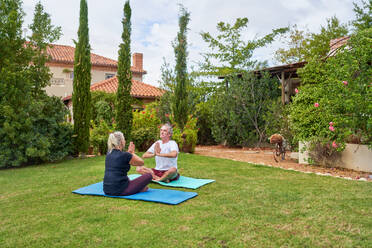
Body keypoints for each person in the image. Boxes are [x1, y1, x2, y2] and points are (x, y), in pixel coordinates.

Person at [103, 131, 152, 196]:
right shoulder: (125, 155)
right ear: (121, 142)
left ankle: (137, 188)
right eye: (124, 140)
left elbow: (123, 160)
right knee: (149, 175)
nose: (125, 141)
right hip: (120, 190)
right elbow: (141, 162)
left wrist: (129, 153)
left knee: (127, 178)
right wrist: (132, 153)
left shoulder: (109, 154)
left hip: (107, 190)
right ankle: (138, 189)